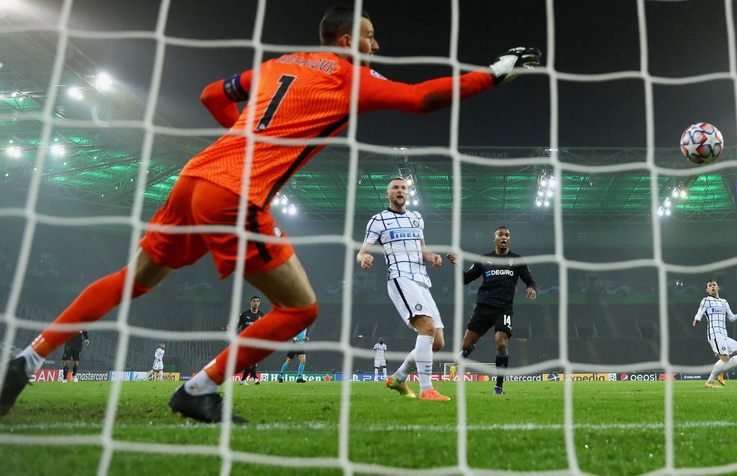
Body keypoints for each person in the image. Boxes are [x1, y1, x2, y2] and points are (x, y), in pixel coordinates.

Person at [0, 5, 540, 422]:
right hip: (234, 194)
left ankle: (28, 358)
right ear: (347, 41)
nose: (378, 44)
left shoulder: (277, 64)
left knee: (132, 280)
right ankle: (198, 390)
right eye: (371, 36)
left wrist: (243, 140)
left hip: (194, 177)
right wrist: (495, 73)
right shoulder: (346, 76)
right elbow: (422, 99)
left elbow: (211, 94)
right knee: (301, 309)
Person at [357, 177, 450, 401]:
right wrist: (364, 258)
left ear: (408, 193)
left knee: (438, 342)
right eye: (395, 188)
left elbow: (422, 250)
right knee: (427, 327)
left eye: (403, 188)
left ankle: (398, 378)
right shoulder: (378, 220)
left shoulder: (416, 218)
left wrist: (432, 257)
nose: (400, 191)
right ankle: (426, 389)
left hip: (422, 280)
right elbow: (362, 252)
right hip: (400, 278)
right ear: (387, 194)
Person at [446, 226, 536, 395]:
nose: (504, 237)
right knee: (466, 344)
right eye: (500, 235)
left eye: (507, 235)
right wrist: (457, 264)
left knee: (501, 343)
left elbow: (529, 279)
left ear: (509, 240)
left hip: (504, 308)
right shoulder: (484, 259)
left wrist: (531, 287)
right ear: (494, 239)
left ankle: (498, 387)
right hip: (483, 307)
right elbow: (465, 279)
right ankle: (467, 350)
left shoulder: (517, 260)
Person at [692, 280, 737, 388]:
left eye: (714, 285)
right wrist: (697, 319)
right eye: (710, 286)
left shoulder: (724, 302)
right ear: (707, 290)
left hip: (724, 335)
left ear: (718, 287)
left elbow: (732, 318)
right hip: (715, 334)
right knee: (725, 359)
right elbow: (700, 312)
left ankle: (721, 371)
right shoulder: (706, 300)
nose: (712, 287)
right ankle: (710, 381)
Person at [237, 296, 265, 385]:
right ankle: (253, 378)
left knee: (253, 362)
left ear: (259, 303)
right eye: (254, 301)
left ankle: (246, 379)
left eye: (257, 301)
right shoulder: (244, 314)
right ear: (251, 302)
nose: (255, 303)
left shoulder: (262, 315)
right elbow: (237, 326)